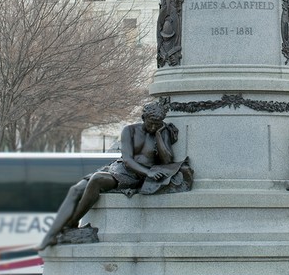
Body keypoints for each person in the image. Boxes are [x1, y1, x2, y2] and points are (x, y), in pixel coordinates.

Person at [37, 102, 193, 250]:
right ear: (143, 118)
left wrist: (159, 135)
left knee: (97, 179)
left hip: (135, 177)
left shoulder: (162, 132)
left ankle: (70, 224)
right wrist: (148, 172)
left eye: (156, 124)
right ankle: (50, 235)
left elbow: (167, 160)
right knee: (75, 189)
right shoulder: (129, 130)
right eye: (150, 123)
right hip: (121, 168)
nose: (152, 127)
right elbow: (127, 159)